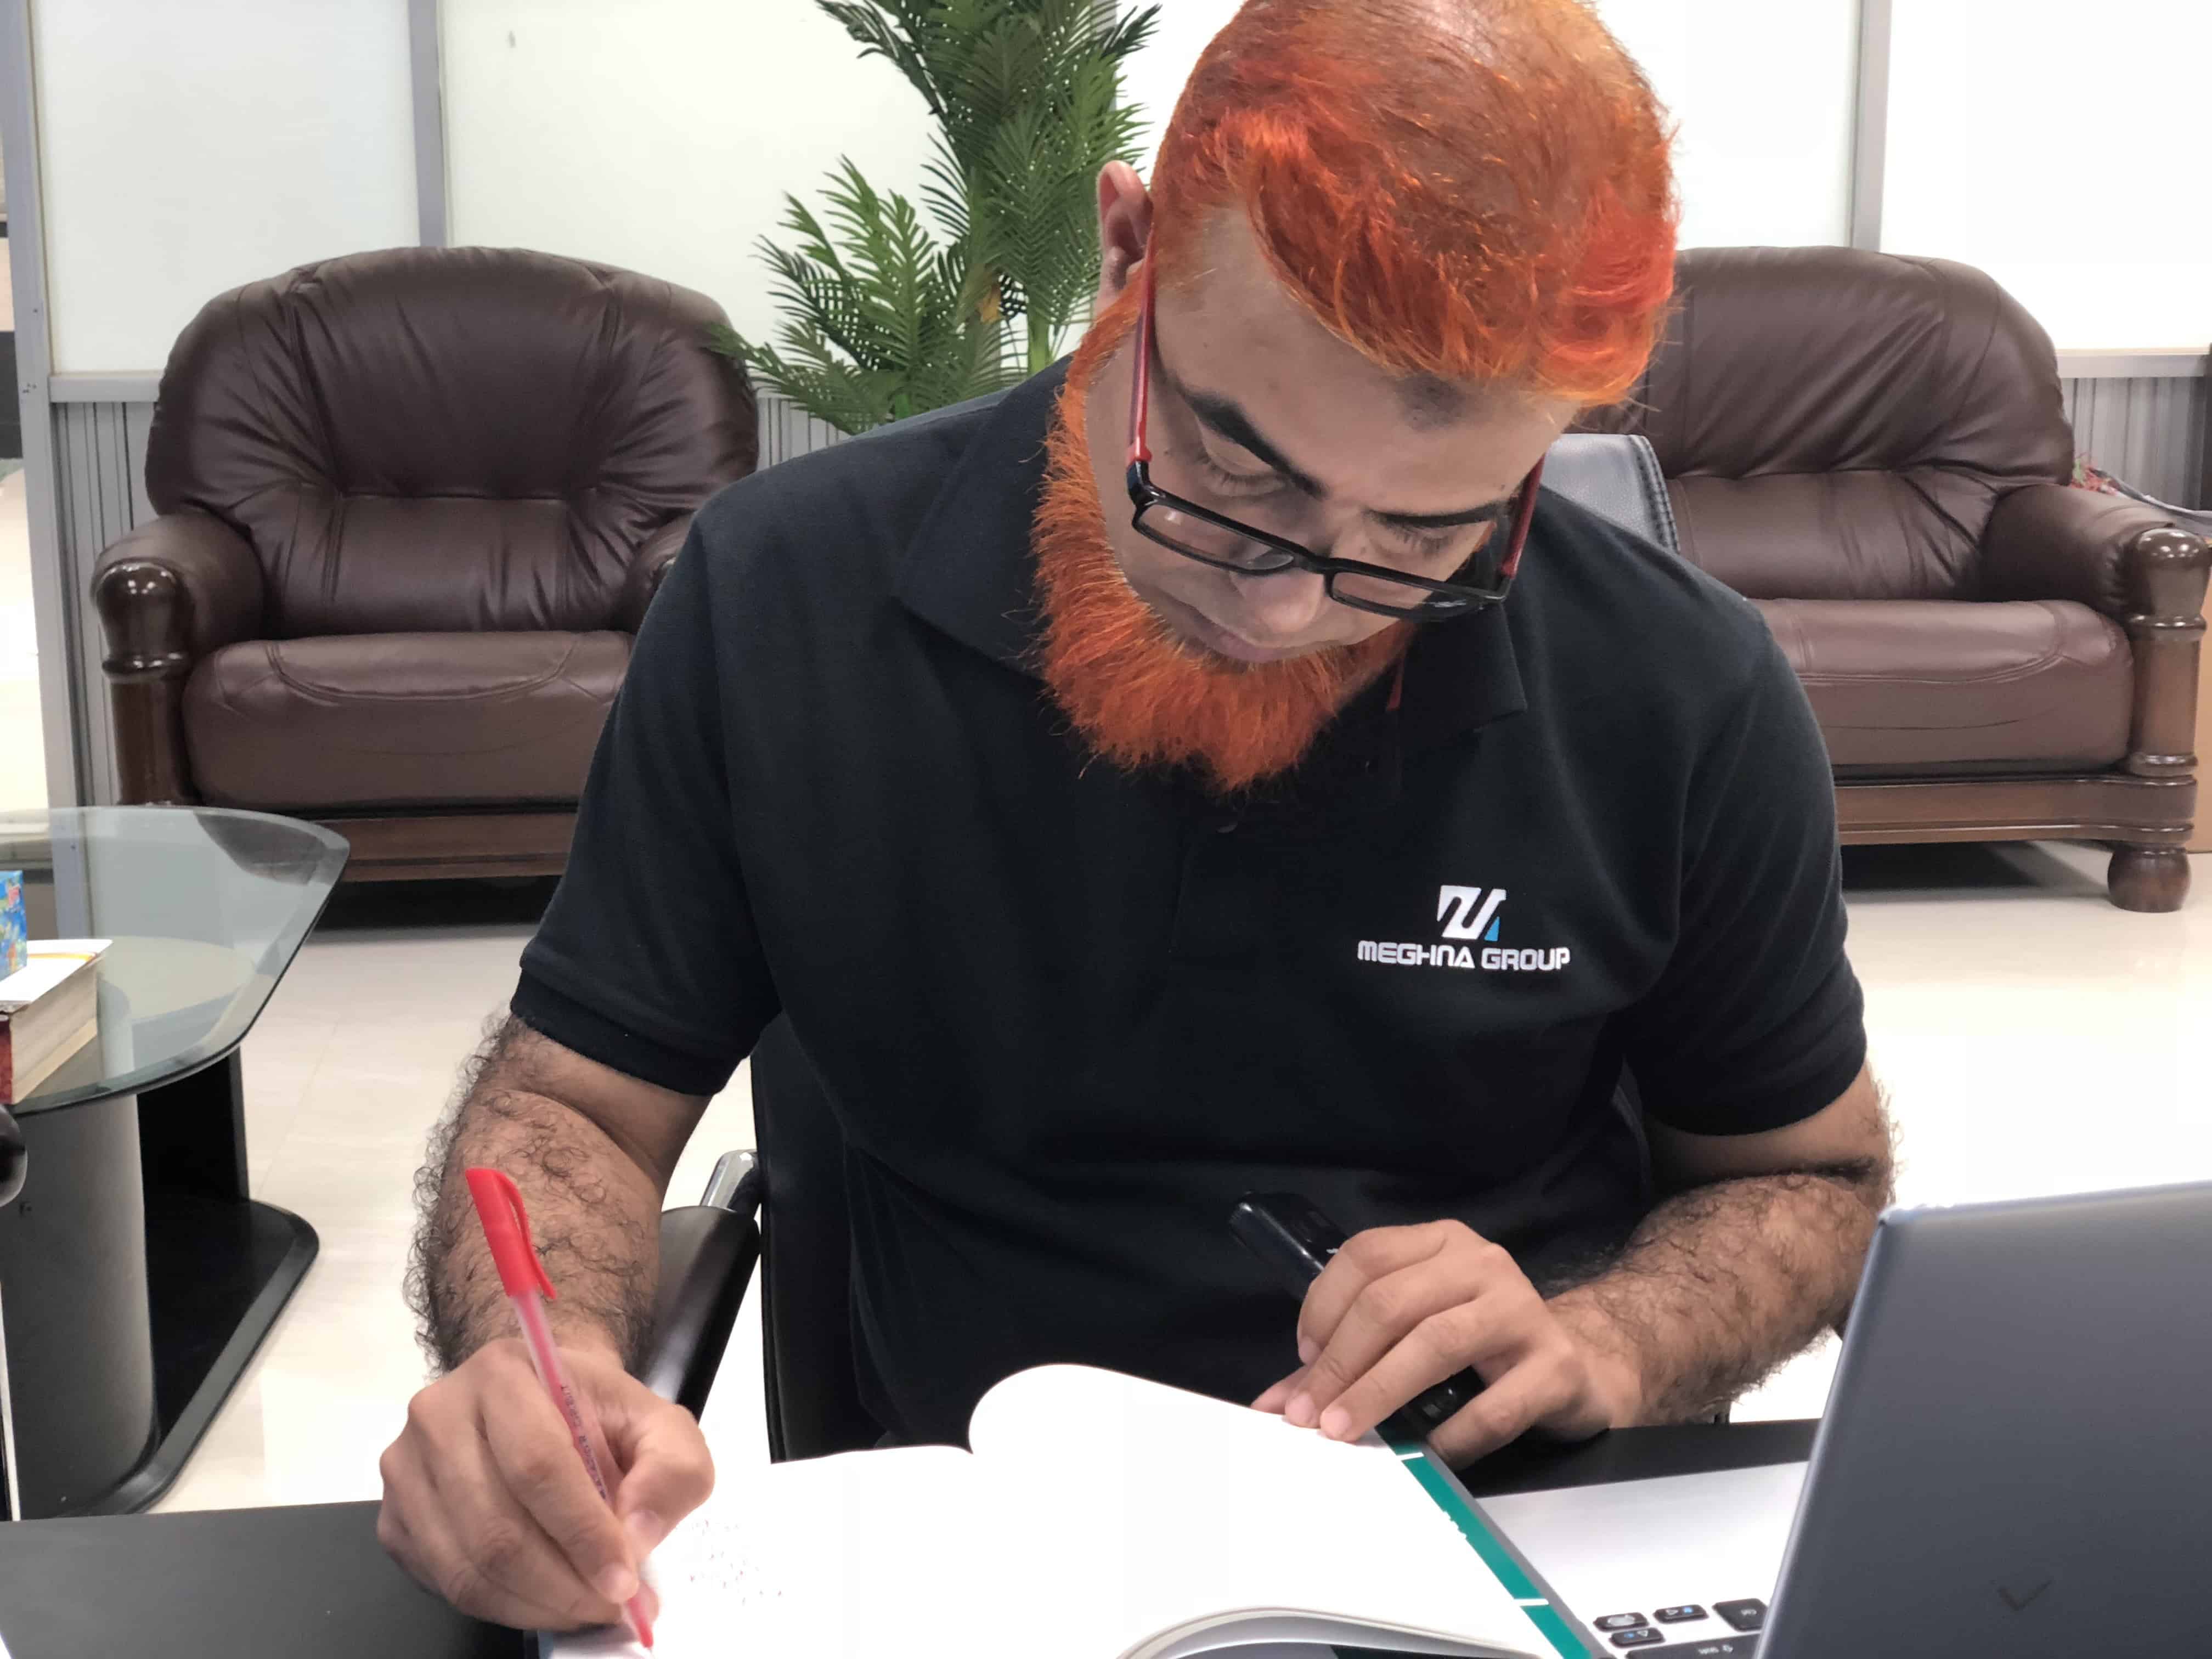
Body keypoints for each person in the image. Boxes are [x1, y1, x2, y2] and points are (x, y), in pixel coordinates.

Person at [379, 0, 1895, 1630]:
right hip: (972, 1551)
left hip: (1499, 1538)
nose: (1289, 605)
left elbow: (1811, 1179)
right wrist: (536, 1373)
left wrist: (1612, 1337)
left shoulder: (1680, 688)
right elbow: (576, 1111)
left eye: (1425, 538)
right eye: (1235, 472)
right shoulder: (786, 597)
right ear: (1126, 257)